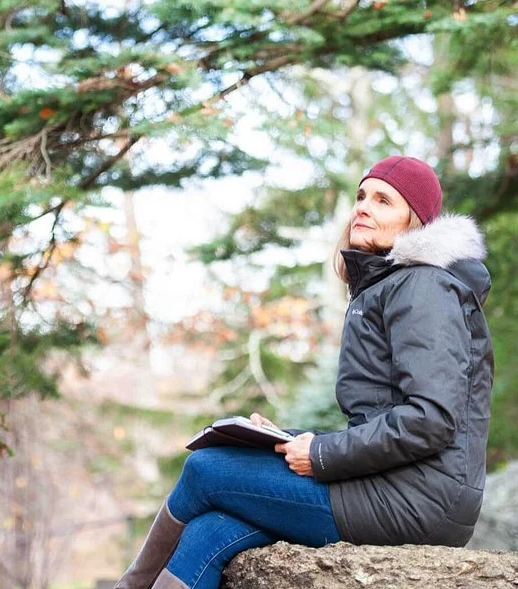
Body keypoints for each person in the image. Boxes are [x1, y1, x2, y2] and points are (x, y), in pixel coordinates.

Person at [114, 155, 493, 589]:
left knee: (205, 469)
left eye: (384, 201)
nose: (363, 207)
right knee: (211, 532)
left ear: (414, 224)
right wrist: (288, 439)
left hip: (418, 500)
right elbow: (379, 421)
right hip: (395, 487)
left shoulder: (424, 286)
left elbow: (431, 418)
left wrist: (320, 454)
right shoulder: (392, 288)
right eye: (362, 196)